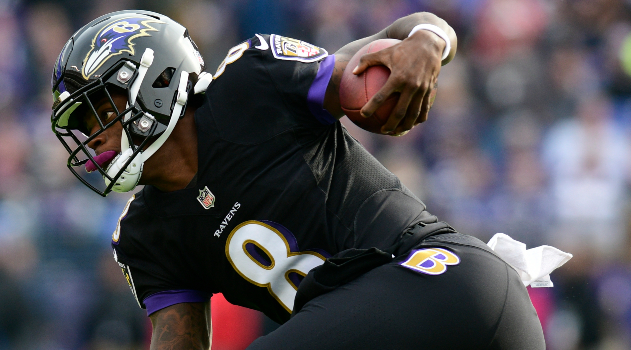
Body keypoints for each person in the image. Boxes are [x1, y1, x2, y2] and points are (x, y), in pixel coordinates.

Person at [50, 10, 546, 349]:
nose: (91, 140)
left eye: (95, 114)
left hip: (446, 283)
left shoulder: (249, 83)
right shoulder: (145, 237)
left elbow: (395, 45)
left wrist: (426, 42)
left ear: (153, 80)